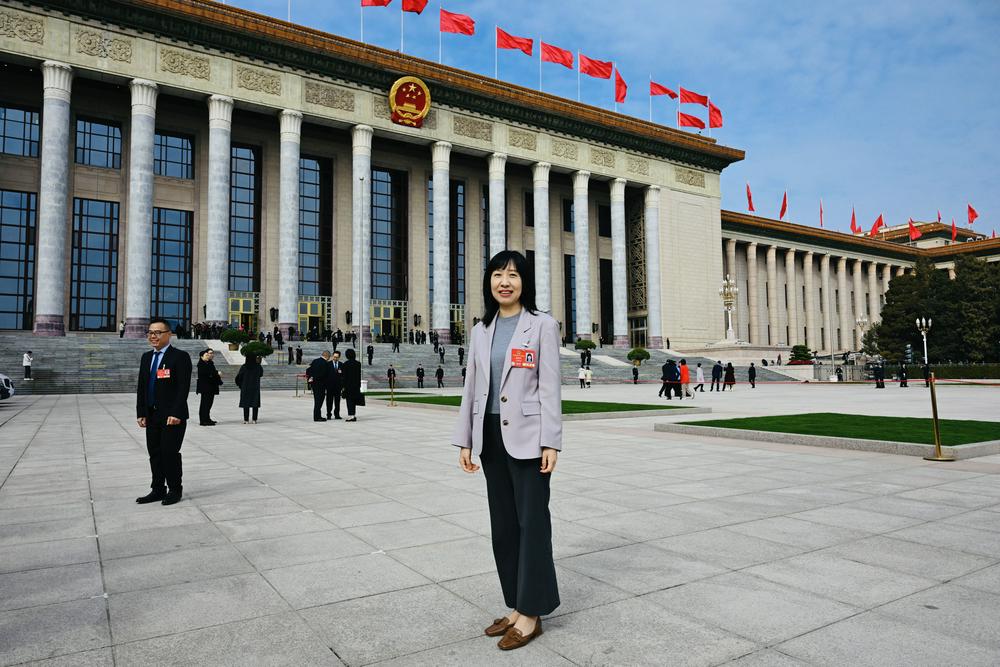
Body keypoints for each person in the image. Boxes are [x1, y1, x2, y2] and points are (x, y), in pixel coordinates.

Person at [452, 250, 561, 651]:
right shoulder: (482, 329)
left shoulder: (542, 326)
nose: (505, 282)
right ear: (489, 282)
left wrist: (552, 441)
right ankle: (515, 605)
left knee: (532, 524)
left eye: (513, 275)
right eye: (498, 274)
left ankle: (532, 614)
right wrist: (464, 439)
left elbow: (549, 388)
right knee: (503, 526)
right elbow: (471, 388)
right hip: (490, 439)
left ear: (524, 282)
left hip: (530, 438)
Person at [135, 317, 191, 506]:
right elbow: (142, 387)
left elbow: (183, 388)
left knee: (169, 453)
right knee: (155, 453)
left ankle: (175, 489)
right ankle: (158, 489)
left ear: (169, 334)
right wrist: (141, 412)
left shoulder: (179, 357)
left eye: (158, 332)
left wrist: (175, 413)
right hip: (152, 415)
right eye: (150, 332)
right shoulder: (146, 357)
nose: (153, 336)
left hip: (172, 416)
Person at [196, 349, 222, 425]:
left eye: (208, 355)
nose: (208, 356)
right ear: (201, 357)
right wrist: (217, 373)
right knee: (205, 404)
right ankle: (203, 420)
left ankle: (207, 418)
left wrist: (216, 374)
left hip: (210, 387)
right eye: (206, 355)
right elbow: (208, 374)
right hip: (205, 387)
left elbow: (212, 372)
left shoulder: (209, 363)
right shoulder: (201, 364)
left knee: (209, 404)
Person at [236, 353, 263, 424]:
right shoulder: (258, 366)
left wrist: (240, 384)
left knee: (246, 403)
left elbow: (239, 377)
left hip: (245, 387)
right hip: (255, 387)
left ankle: (246, 420)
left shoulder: (244, 367)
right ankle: (254, 419)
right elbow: (261, 374)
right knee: (255, 403)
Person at [307, 351, 331, 422]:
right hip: (321, 385)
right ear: (327, 356)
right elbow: (325, 375)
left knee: (316, 401)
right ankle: (317, 417)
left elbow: (308, 370)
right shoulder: (325, 363)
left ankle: (317, 416)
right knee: (319, 401)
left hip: (314, 384)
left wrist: (311, 378)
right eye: (329, 357)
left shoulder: (315, 361)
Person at [342, 347, 363, 422]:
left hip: (348, 385)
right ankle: (353, 414)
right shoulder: (358, 364)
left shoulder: (345, 364)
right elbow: (358, 375)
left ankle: (351, 415)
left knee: (349, 401)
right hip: (356, 385)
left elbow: (344, 376)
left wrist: (343, 386)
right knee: (353, 401)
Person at [326, 351, 344, 419]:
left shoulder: (341, 365)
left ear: (339, 357)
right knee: (329, 401)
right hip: (330, 387)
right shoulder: (328, 364)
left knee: (337, 402)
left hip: (338, 387)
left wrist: (342, 386)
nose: (335, 358)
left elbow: (343, 376)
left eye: (337, 357)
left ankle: (337, 414)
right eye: (334, 357)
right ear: (332, 356)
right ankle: (328, 414)